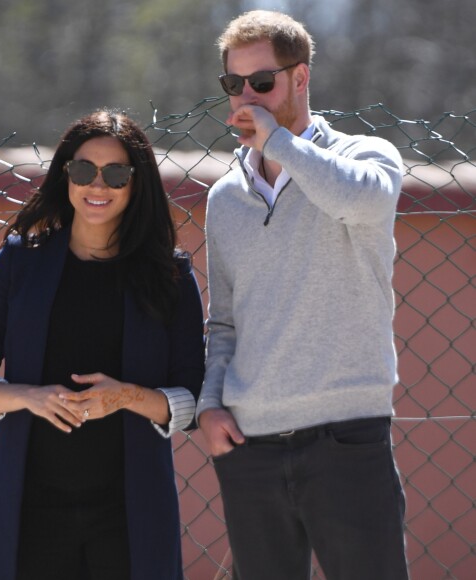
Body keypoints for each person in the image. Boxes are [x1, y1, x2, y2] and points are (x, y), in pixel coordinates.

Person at [196, 10, 408, 580]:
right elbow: (224, 320)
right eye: (233, 85)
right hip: (250, 444)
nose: (246, 97)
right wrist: (211, 404)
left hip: (347, 435)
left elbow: (360, 202)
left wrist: (280, 143)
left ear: (301, 78)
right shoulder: (225, 198)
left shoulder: (368, 156)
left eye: (261, 82)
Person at [0, 109, 205, 580]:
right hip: (29, 509)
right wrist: (29, 395)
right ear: (66, 175)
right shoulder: (16, 265)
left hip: (130, 514)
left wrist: (123, 397)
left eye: (116, 173)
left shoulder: (171, 278)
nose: (98, 186)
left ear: (137, 182)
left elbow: (190, 403)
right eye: (84, 170)